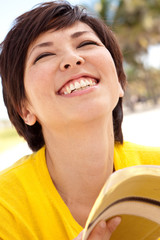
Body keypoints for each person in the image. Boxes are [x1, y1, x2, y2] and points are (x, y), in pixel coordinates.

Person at [0, 1, 160, 239]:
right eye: (44, 55)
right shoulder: (6, 208)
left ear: (118, 82)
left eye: (86, 43)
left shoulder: (155, 168)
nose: (72, 59)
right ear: (25, 109)